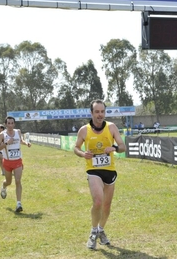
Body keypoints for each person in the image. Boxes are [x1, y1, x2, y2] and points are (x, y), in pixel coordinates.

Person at [74, 99, 126, 250]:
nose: (100, 114)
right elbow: (76, 148)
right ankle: (93, 232)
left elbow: (123, 146)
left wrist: (114, 148)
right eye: (97, 112)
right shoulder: (84, 130)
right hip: (93, 170)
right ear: (91, 113)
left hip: (109, 170)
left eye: (102, 111)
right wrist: (83, 154)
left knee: (107, 205)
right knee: (98, 202)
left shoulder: (111, 127)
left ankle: (101, 230)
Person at [0, 116, 31, 213]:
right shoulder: (2, 135)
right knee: (8, 182)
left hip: (18, 161)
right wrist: (6, 143)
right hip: (7, 162)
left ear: (14, 124)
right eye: (8, 123)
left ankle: (19, 203)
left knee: (18, 181)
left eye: (12, 123)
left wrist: (26, 143)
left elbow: (21, 140)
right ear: (6, 124)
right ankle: (4, 186)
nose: (10, 125)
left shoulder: (18, 132)